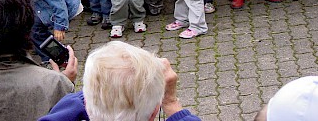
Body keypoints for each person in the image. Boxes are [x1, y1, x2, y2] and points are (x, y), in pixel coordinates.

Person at [39, 41, 201, 121]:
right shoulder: (156, 109)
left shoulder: (76, 105)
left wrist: (98, 91)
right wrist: (171, 102)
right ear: (153, 114)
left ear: (86, 105)